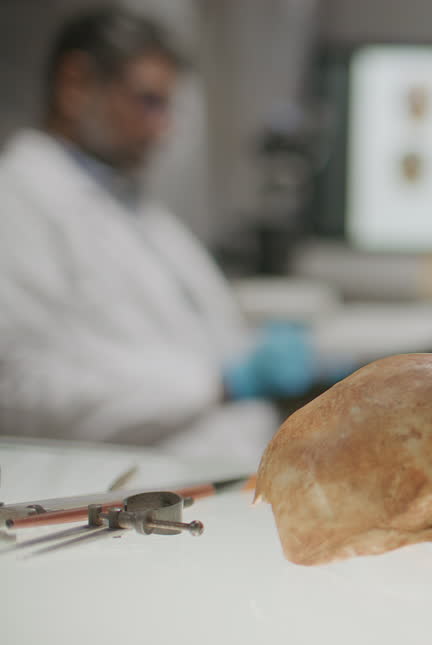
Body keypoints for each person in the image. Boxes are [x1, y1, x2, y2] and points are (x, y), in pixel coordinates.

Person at [0, 6, 326, 463]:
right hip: (136, 489)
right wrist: (218, 383)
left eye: (167, 106)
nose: (164, 128)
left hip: (230, 463)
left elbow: (195, 337)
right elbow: (22, 391)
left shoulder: (130, 204)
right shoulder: (17, 200)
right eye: (148, 101)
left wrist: (259, 355)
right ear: (75, 85)